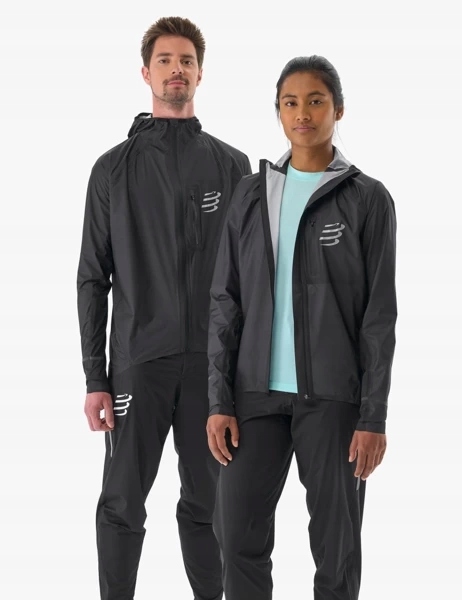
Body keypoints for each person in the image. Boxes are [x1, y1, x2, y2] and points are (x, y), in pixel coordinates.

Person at [206, 55, 397, 600]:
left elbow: (379, 317)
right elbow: (224, 302)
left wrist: (373, 415)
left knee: (337, 549)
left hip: (333, 400)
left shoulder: (367, 199)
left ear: (339, 109)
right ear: (278, 112)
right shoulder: (250, 194)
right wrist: (219, 400)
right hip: (254, 398)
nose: (303, 113)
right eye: (291, 102)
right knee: (236, 537)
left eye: (316, 101)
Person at [77, 16, 251, 600]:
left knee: (210, 506)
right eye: (166, 60)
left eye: (187, 61)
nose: (177, 70)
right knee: (122, 503)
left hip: (212, 369)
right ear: (146, 72)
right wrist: (96, 377)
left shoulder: (232, 166)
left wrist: (243, 373)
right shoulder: (113, 168)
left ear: (201, 73)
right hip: (138, 363)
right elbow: (92, 278)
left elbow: (251, 278)